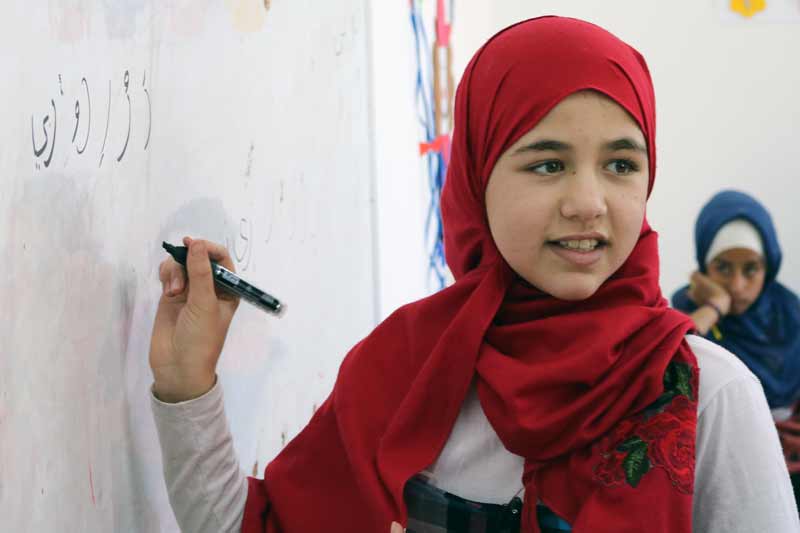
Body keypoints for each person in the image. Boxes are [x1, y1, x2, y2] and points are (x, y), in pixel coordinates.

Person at [149, 17, 799, 533]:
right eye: (547, 163)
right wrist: (186, 385)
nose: (588, 200)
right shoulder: (402, 374)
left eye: (621, 165)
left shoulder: (707, 397)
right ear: (478, 178)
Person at [672, 189, 800, 506]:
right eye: (723, 268)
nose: (738, 285)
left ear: (768, 266)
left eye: (751, 269)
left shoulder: (790, 315)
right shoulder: (684, 316)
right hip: (714, 465)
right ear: (704, 266)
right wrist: (715, 306)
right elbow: (672, 362)